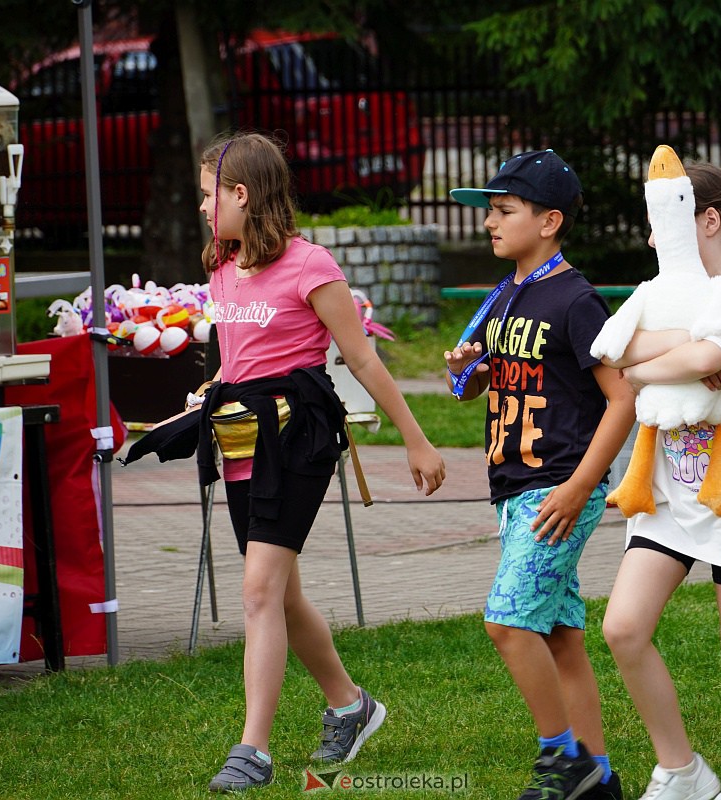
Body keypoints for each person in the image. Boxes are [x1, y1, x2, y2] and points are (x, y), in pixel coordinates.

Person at [194, 132, 446, 792]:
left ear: (242, 195)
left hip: (299, 437)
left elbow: (361, 359)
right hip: (243, 439)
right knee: (280, 591)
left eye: (208, 194)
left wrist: (416, 439)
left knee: (258, 591)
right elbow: (239, 354)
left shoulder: (312, 266)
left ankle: (253, 751)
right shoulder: (223, 268)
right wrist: (208, 390)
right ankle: (350, 705)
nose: (202, 207)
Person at [597, 163, 721, 800]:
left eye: (664, 225)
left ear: (708, 221)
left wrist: (659, 358)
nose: (654, 241)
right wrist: (674, 350)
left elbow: (706, 359)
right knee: (623, 628)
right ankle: (682, 770)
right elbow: (615, 354)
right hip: (664, 500)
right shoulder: (658, 294)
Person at [445, 150, 636, 800]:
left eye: (504, 211)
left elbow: (623, 398)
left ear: (550, 220)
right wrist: (471, 369)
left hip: (557, 488)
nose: (490, 224)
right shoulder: (505, 297)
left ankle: (564, 760)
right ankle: (600, 778)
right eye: (490, 212)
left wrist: (583, 485)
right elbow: (499, 383)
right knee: (557, 636)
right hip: (515, 488)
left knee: (506, 623)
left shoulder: (577, 299)